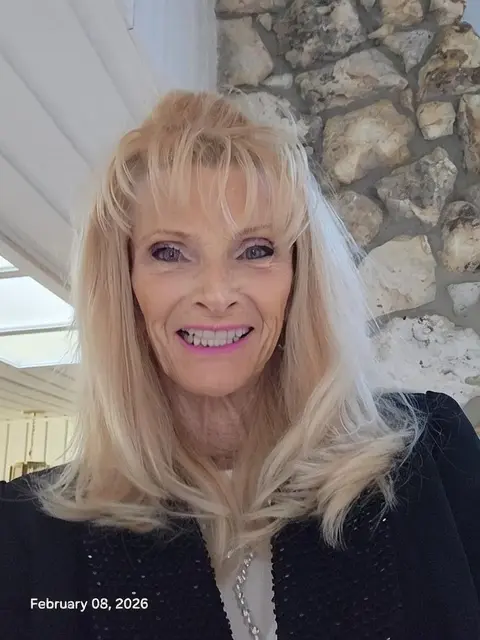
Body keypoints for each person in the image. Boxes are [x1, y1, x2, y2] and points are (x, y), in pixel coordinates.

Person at [1, 91, 479, 640]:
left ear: (299, 276)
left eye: (255, 251)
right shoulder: (29, 534)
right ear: (124, 282)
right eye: (169, 252)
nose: (216, 294)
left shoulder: (432, 457)